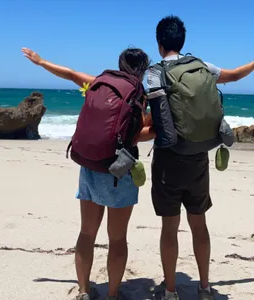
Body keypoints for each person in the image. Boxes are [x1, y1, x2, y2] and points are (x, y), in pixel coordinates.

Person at [22, 47, 155, 300]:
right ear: (143, 70)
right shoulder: (137, 95)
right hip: (119, 172)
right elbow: (137, 134)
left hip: (90, 166)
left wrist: (41, 62)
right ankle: (113, 294)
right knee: (117, 239)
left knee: (86, 233)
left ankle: (83, 291)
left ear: (120, 64)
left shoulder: (99, 82)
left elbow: (71, 74)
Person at [147, 15, 254, 300]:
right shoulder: (200, 65)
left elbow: (150, 115)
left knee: (170, 227)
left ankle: (170, 291)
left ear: (159, 44)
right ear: (182, 41)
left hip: (169, 160)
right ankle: (205, 286)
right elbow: (233, 75)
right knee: (199, 222)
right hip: (199, 157)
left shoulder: (155, 72)